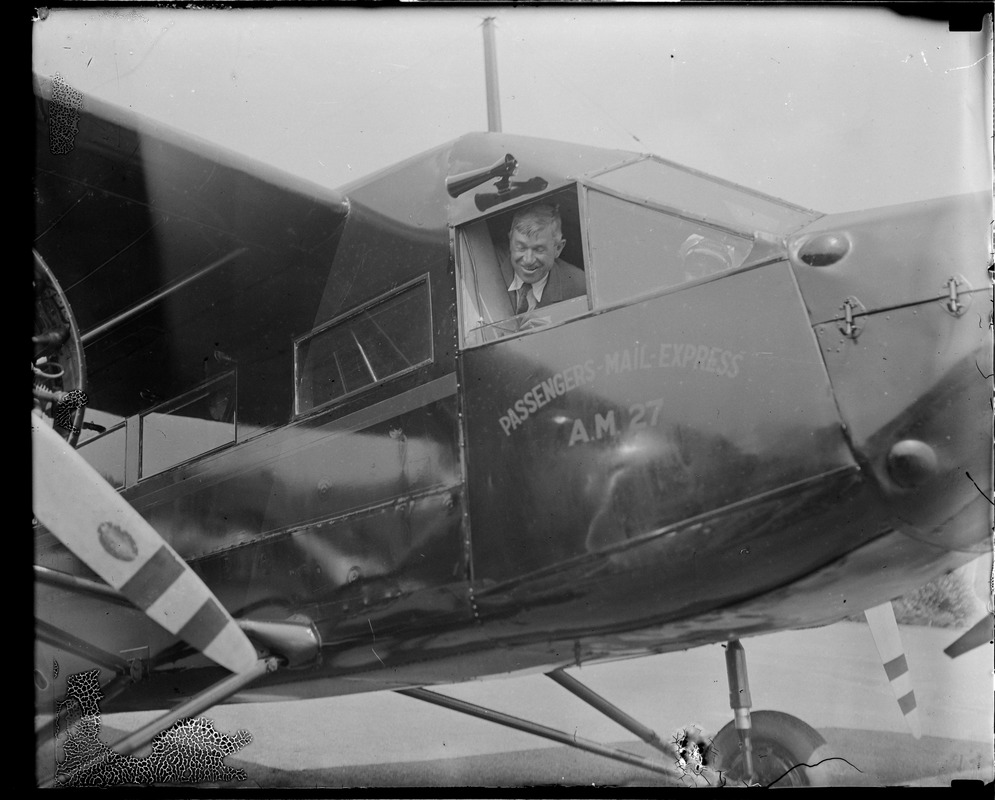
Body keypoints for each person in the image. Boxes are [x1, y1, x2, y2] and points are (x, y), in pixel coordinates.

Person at [501, 203, 586, 317]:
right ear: (510, 241)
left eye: (539, 250)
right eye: (521, 247)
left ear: (558, 248)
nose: (528, 260)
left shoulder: (579, 286)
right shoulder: (487, 265)